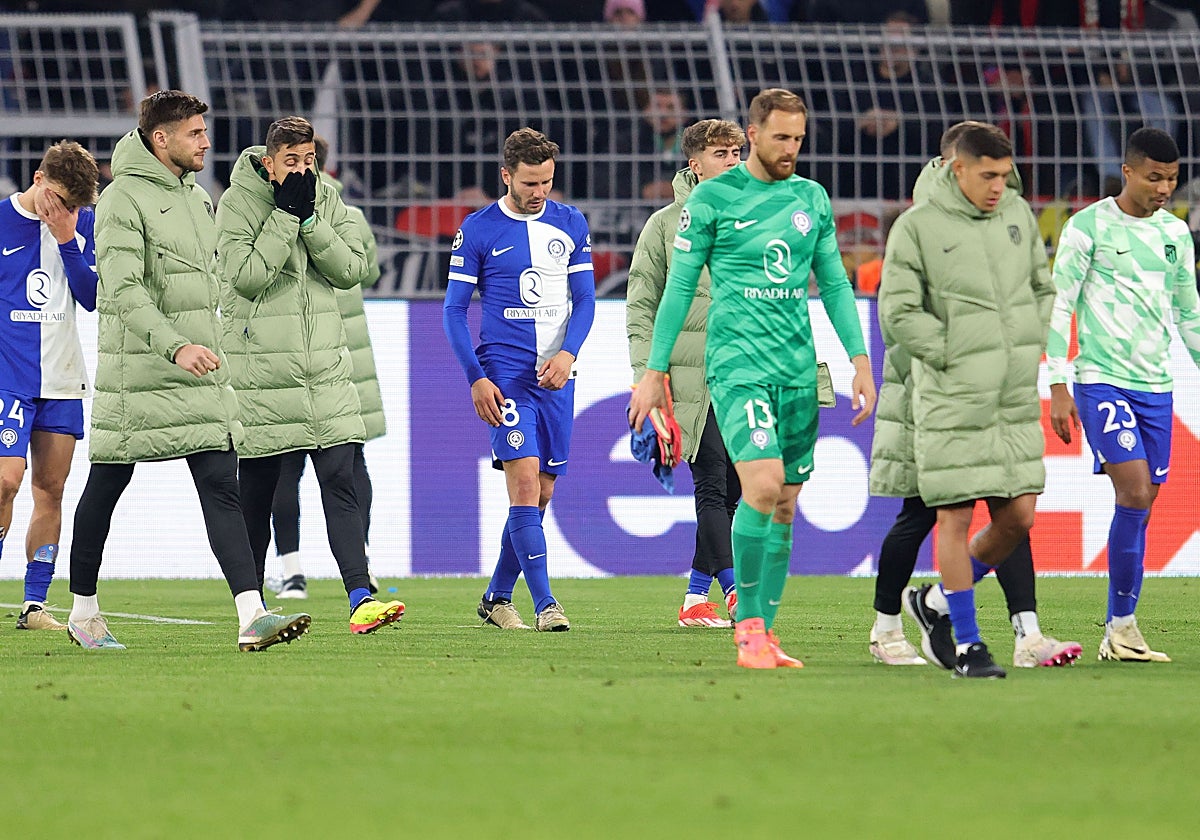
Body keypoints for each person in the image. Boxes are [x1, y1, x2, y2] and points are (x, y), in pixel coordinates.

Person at [629, 88, 876, 669]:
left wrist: (860, 361)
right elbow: (678, 290)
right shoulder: (711, 200)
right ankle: (749, 627)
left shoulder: (810, 198)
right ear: (754, 134)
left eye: (798, 138)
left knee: (785, 502)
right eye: (779, 137)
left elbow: (835, 285)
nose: (789, 148)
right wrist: (652, 371)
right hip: (737, 367)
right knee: (761, 487)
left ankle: (764, 627)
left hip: (795, 367)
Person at [67, 90, 311, 652]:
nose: (206, 141)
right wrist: (175, 346)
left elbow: (214, 285)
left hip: (200, 373)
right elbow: (122, 290)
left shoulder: (199, 198)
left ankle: (252, 615)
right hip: (141, 375)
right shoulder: (122, 199)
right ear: (161, 139)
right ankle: (83, 612)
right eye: (195, 133)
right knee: (105, 488)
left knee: (222, 489)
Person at [869, 120, 1082, 669]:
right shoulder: (916, 226)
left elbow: (1043, 286)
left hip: (1010, 392)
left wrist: (1023, 343)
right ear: (955, 168)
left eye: (1005, 175)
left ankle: (933, 600)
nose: (998, 186)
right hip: (950, 392)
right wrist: (952, 353)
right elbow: (896, 312)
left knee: (1019, 517)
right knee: (952, 515)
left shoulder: (1014, 213)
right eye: (988, 175)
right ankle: (966, 643)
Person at [217, 115, 405, 635]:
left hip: (324, 373)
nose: (303, 170)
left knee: (340, 481)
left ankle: (361, 594)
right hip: (262, 377)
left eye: (310, 161)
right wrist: (282, 218)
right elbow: (246, 278)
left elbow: (352, 269)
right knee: (256, 491)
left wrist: (308, 221)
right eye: (292, 162)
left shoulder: (327, 200)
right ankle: (253, 608)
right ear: (269, 162)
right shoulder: (236, 203)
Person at [1048, 127, 1200, 663]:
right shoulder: (1086, 227)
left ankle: (1118, 630)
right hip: (1100, 378)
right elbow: (1060, 306)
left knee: (1143, 501)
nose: (1164, 188)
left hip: (1157, 386)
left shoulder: (1175, 236)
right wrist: (1058, 384)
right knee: (1134, 491)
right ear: (1128, 172)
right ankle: (1124, 627)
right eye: (1154, 177)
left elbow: (1188, 315)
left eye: (1173, 179)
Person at [443, 128, 596, 631]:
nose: (539, 192)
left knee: (544, 491)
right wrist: (476, 378)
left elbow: (587, 300)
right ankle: (547, 603)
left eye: (547, 182)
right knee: (525, 482)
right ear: (506, 176)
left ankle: (495, 598)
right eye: (529, 183)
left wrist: (569, 354)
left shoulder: (571, 223)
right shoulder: (479, 228)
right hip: (505, 378)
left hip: (556, 377)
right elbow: (453, 311)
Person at [626, 118, 745, 629]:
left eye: (738, 152)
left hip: (743, 369)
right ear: (694, 163)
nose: (734, 161)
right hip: (688, 377)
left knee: (738, 488)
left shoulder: (755, 219)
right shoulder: (665, 225)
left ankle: (696, 598)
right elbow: (640, 303)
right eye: (722, 153)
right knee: (712, 480)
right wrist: (645, 375)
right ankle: (740, 594)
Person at [268, 134, 385, 600]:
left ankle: (292, 571)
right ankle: (364, 564)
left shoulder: (271, 212)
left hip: (297, 351)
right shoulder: (352, 217)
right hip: (349, 356)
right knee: (351, 464)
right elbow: (370, 272)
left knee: (285, 466)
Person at [0, 141, 98, 632]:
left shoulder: (81, 226)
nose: (61, 210)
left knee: (50, 490)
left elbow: (92, 296)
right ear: (38, 179)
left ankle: (34, 604)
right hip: (8, 380)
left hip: (61, 378)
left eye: (74, 205)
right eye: (57, 198)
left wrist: (66, 236)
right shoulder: (0, 221)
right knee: (4, 481)